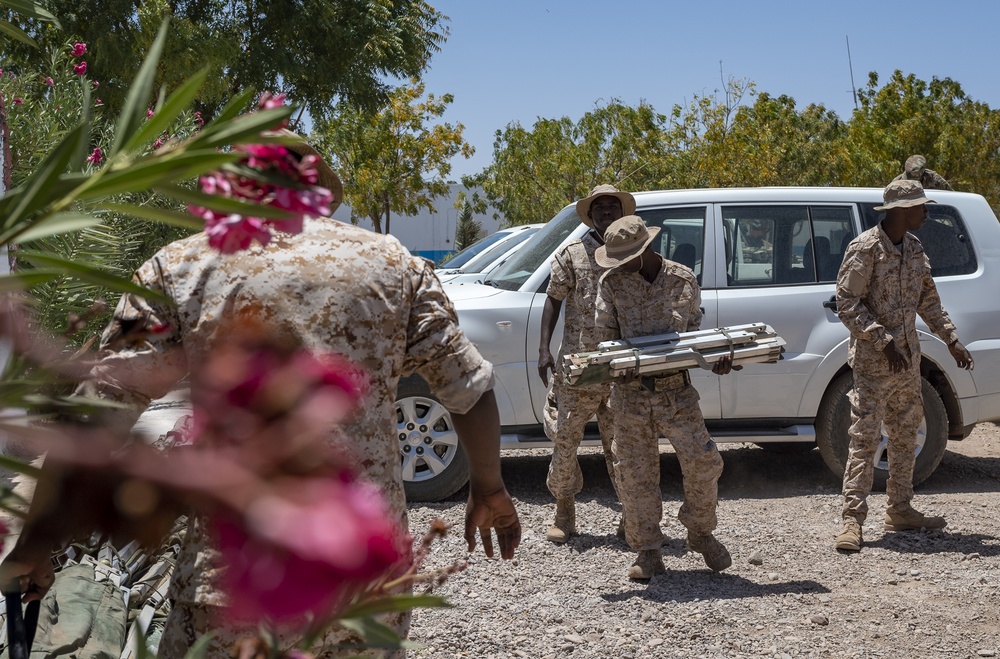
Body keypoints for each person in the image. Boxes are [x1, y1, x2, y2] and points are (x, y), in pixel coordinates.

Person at [1, 135, 522, 657]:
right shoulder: (393, 263)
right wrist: (489, 486)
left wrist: (35, 546)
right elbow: (469, 388)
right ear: (319, 190)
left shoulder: (181, 266)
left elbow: (98, 415)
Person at [594, 215, 737, 580]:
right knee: (636, 476)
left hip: (677, 393)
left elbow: (693, 339)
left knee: (705, 463)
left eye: (627, 256)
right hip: (630, 397)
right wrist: (616, 365)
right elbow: (604, 343)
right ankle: (648, 550)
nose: (621, 264)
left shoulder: (682, 280)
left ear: (647, 248)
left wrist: (714, 362)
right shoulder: (611, 284)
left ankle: (700, 532)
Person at [834, 179, 973, 552]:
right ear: (900, 211)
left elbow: (929, 299)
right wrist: (882, 340)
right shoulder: (864, 248)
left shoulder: (914, 248)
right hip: (872, 366)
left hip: (908, 363)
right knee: (864, 440)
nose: (926, 213)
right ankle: (852, 520)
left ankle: (900, 509)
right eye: (920, 207)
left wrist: (951, 339)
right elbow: (847, 303)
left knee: (905, 435)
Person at [537, 184, 633, 544]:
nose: (606, 210)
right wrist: (544, 349)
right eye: (600, 206)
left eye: (613, 205)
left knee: (623, 445)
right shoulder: (572, 253)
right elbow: (552, 299)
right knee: (566, 441)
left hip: (620, 367)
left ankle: (630, 515)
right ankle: (564, 511)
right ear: (590, 214)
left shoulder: (632, 251)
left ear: (621, 212)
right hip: (578, 367)